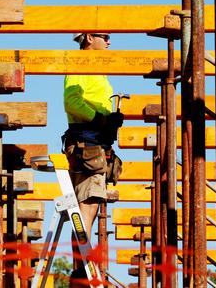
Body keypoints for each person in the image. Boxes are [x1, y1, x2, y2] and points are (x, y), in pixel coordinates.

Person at [62, 33, 123, 286]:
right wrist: (100, 119)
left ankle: (81, 268)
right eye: (104, 36)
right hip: (89, 147)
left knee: (83, 211)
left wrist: (109, 118)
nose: (109, 42)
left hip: (91, 144)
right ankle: (83, 270)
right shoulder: (80, 64)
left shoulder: (96, 70)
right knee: (86, 211)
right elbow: (72, 101)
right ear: (89, 37)